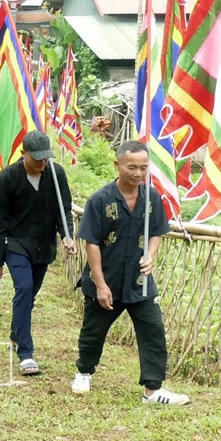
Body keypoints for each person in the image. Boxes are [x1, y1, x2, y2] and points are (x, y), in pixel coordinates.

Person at [72, 141, 188, 405]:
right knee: (94, 331)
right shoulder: (100, 200)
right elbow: (92, 243)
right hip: (107, 281)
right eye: (132, 167)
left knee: (154, 331)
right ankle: (84, 372)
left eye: (143, 168)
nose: (138, 173)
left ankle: (153, 390)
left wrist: (150, 255)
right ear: (118, 165)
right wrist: (100, 284)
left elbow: (158, 232)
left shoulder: (152, 197)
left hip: (139, 282)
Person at [0, 131, 75, 376]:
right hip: (16, 243)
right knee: (24, 289)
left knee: (30, 294)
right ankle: (25, 353)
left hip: (43, 245)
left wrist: (66, 235)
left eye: (45, 158)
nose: (42, 163)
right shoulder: (8, 177)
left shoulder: (56, 175)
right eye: (36, 158)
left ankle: (16, 334)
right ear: (23, 153)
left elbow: (63, 209)